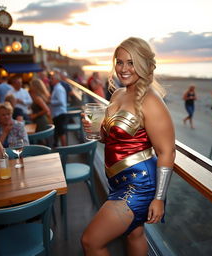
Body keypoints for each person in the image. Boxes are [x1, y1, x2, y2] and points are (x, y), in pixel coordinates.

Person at [81, 37, 175, 256]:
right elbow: (113, 139)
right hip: (117, 180)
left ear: (143, 65)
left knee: (90, 241)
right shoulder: (118, 93)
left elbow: (167, 151)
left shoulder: (151, 101)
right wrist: (97, 132)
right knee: (134, 234)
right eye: (119, 61)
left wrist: (159, 198)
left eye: (131, 63)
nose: (123, 69)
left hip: (139, 184)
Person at [49, 71, 67, 147]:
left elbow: (61, 101)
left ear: (57, 80)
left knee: (61, 132)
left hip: (59, 113)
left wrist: (50, 101)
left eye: (52, 79)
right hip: (58, 113)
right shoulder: (57, 88)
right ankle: (61, 147)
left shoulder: (58, 88)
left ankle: (64, 149)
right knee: (59, 132)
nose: (51, 80)